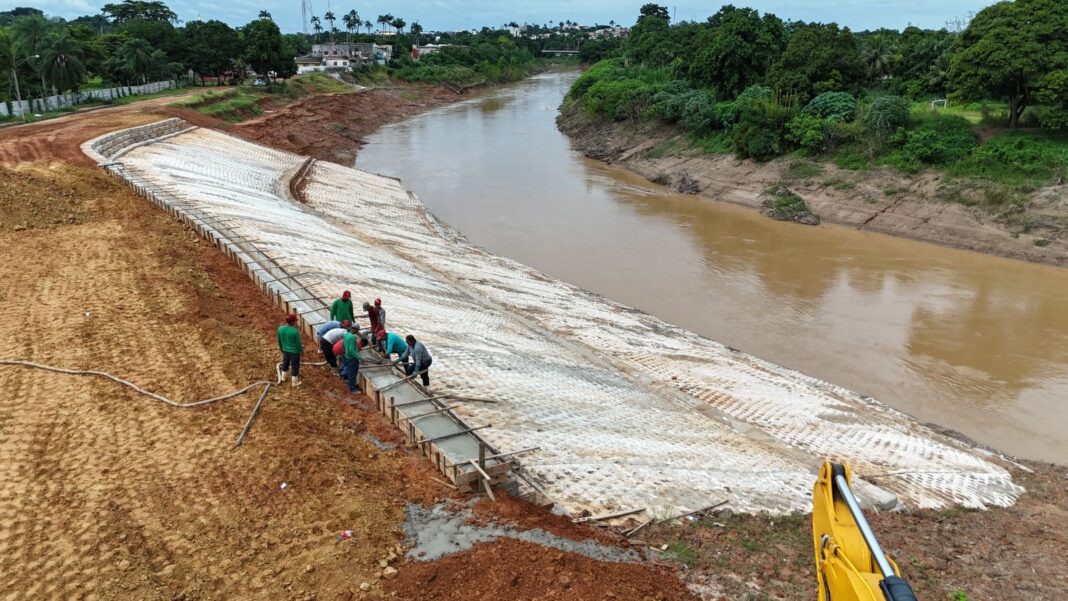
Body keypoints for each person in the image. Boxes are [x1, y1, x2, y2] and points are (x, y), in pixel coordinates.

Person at [276, 314, 303, 387]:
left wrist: (282, 349)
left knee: (285, 363)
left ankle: (283, 378)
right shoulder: (295, 332)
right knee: (295, 366)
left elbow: (279, 340)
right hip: (294, 352)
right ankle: (294, 383)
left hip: (285, 350)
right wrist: (301, 351)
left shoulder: (280, 329)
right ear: (293, 322)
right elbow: (298, 344)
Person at [341, 324, 362, 394]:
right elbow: (351, 349)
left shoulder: (346, 335)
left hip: (347, 356)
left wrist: (345, 353)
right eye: (358, 330)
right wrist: (358, 356)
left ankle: (351, 385)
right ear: (355, 329)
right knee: (352, 373)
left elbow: (343, 345)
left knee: (350, 371)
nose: (358, 332)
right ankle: (352, 389)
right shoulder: (352, 337)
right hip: (352, 358)